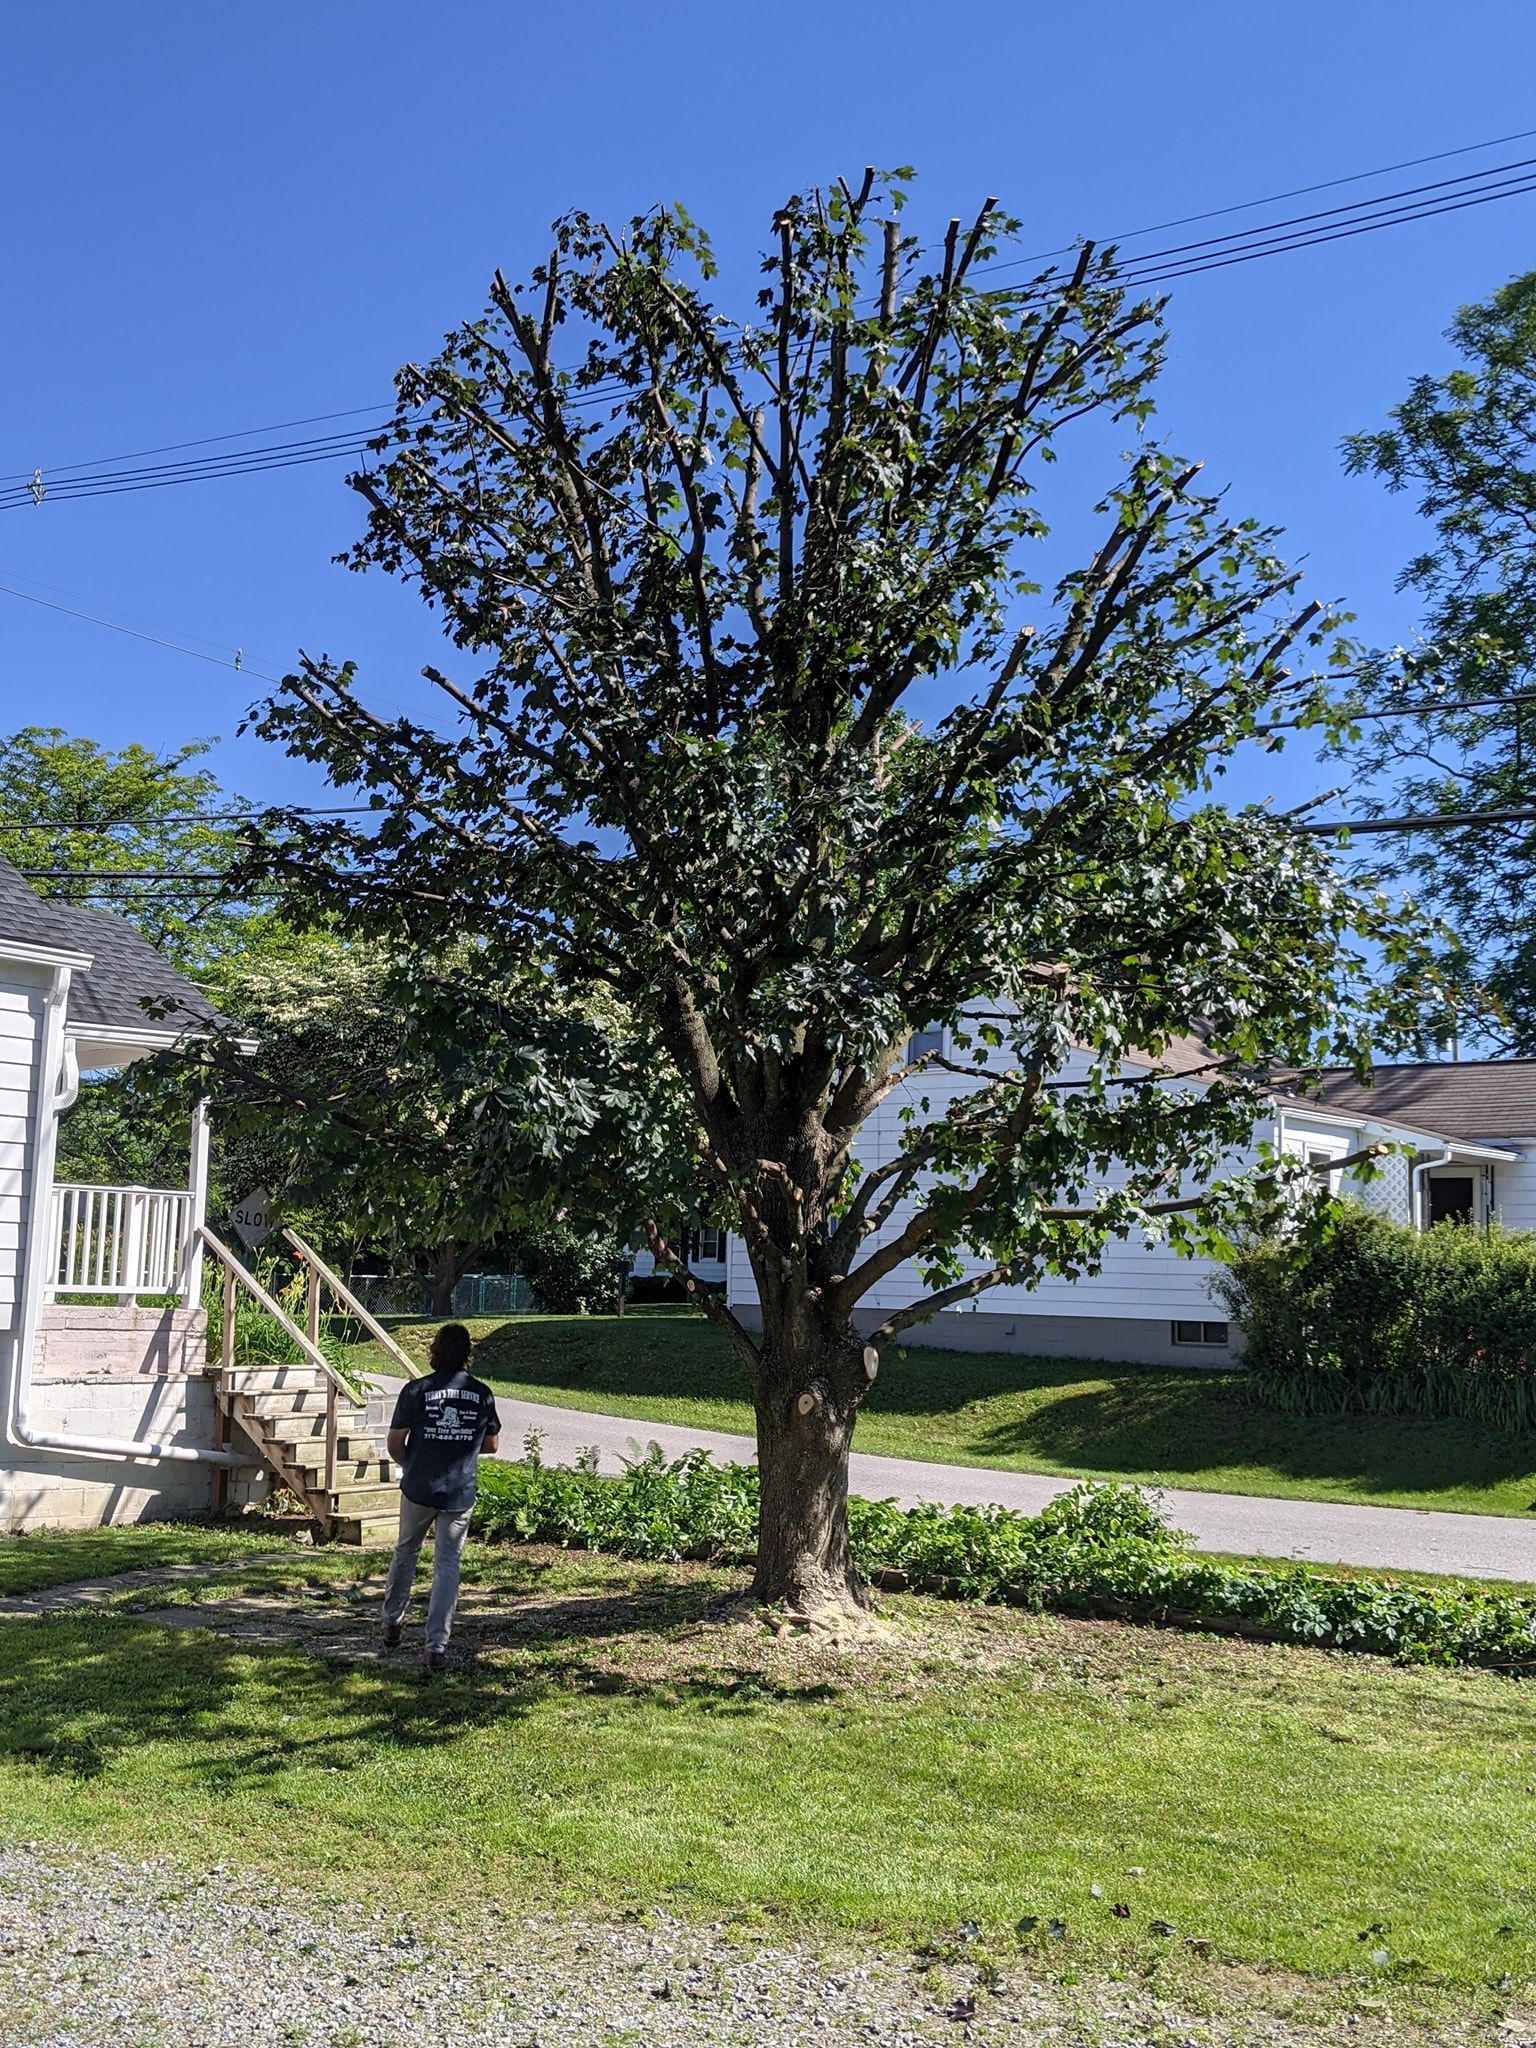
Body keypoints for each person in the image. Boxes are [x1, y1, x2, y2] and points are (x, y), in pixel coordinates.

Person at [380, 1322, 501, 1670]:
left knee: (406, 1550)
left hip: (418, 1488)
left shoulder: (415, 1391)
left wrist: (415, 1462)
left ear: (434, 1351)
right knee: (447, 1565)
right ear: (467, 1355)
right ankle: (436, 1646)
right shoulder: (482, 1393)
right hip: (459, 1492)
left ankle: (392, 1622)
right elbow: (492, 1444)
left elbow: (394, 1444)